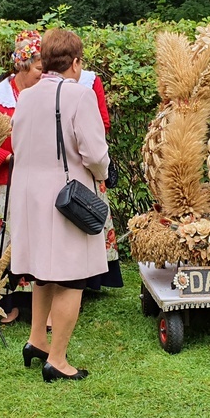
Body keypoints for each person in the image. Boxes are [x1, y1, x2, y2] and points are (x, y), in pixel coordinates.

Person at [10, 28, 109, 381]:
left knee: (42, 272)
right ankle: (58, 359)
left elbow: (18, 145)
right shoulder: (80, 96)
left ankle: (37, 340)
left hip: (29, 195)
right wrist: (102, 172)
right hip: (66, 195)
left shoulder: (26, 95)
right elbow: (95, 153)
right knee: (72, 277)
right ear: (76, 62)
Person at [0, 31, 43, 323]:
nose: (44, 73)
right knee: (6, 239)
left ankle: (37, 302)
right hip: (6, 181)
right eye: (40, 67)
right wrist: (6, 157)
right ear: (23, 67)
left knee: (36, 238)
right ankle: (6, 299)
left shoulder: (44, 93)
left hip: (38, 179)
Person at [77, 68, 123, 291]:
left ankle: (93, 277)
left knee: (89, 212)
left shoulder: (90, 80)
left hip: (86, 158)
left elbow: (103, 122)